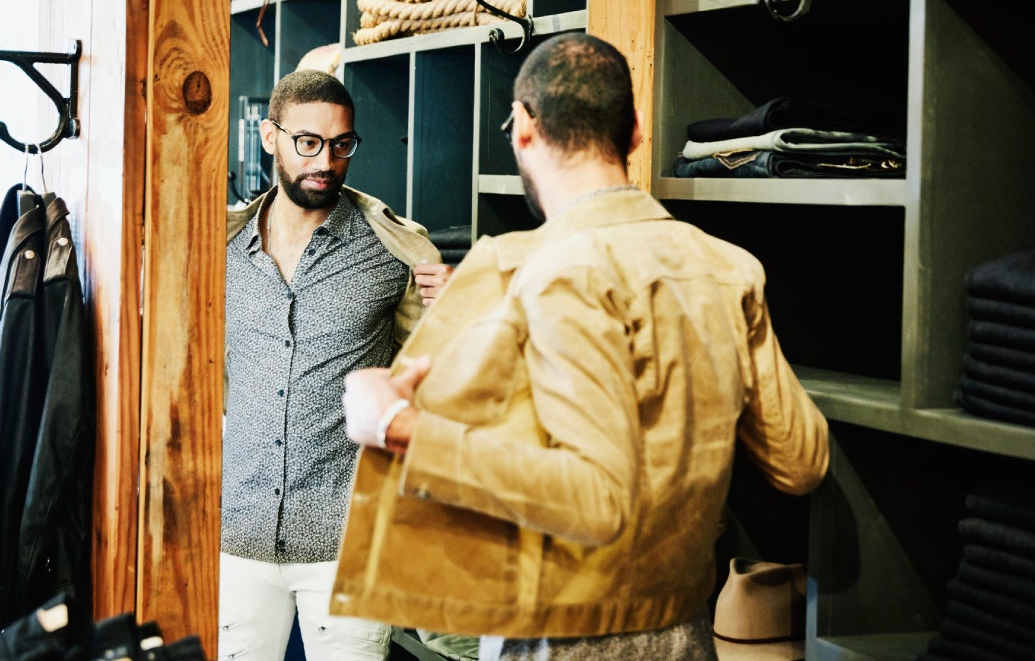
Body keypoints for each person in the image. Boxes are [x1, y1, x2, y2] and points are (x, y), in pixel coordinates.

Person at [331, 32, 831, 660]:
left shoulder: (551, 270)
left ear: (524, 131)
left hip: (565, 636)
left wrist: (398, 425)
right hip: (687, 630)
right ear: (638, 130)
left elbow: (595, 498)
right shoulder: (729, 268)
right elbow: (801, 461)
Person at [222, 68, 452, 661]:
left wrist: (458, 309)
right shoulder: (221, 248)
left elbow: (439, 382)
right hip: (235, 536)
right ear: (271, 137)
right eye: (308, 143)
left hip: (346, 543)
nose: (325, 160)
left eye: (341, 144)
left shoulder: (390, 252)